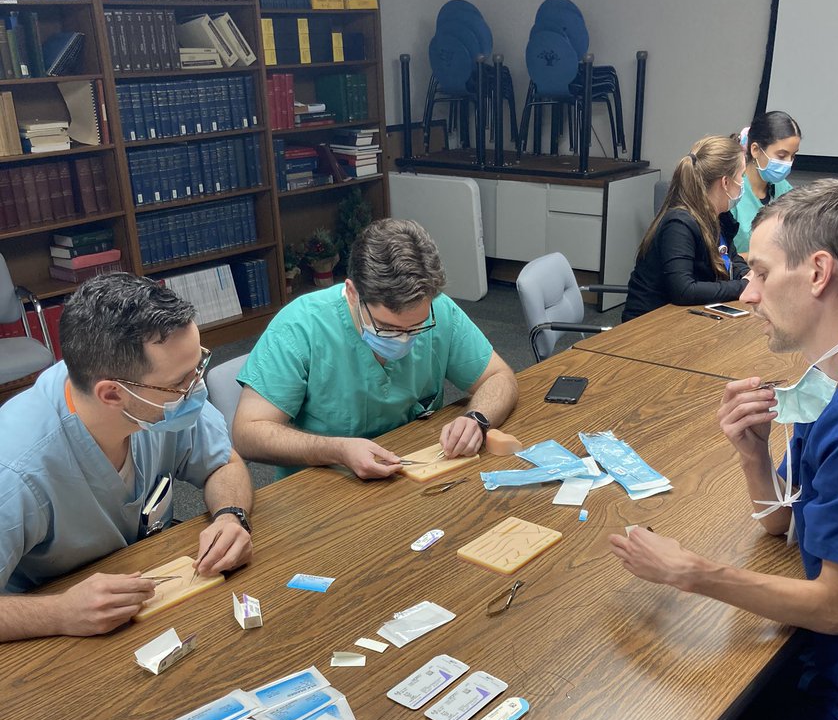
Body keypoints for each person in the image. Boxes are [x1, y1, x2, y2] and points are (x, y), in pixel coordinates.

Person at [609, 179, 838, 720]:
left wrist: (693, 573)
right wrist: (750, 453)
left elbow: (837, 607)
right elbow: (786, 523)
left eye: (760, 273)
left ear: (818, 272)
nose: (746, 294)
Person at [0, 273, 254, 641]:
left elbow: (223, 462)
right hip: (55, 630)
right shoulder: (16, 469)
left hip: (147, 592)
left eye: (198, 365)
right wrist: (59, 613)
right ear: (111, 395)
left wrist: (232, 515)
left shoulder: (158, 403)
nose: (197, 387)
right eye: (181, 381)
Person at [233, 218, 518, 480]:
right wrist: (336, 450)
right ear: (353, 293)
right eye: (387, 328)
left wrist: (477, 417)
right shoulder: (300, 327)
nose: (403, 339)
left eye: (415, 328)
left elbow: (499, 376)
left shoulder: (437, 310)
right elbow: (248, 433)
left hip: (415, 477)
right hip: (323, 489)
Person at [622, 135, 750, 321]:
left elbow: (732, 259)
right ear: (725, 182)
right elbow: (683, 290)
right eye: (742, 175)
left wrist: (748, 275)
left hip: (686, 317)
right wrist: (743, 285)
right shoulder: (679, 223)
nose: (743, 182)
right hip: (648, 324)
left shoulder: (719, 217)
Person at [731, 110, 802, 253]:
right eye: (781, 156)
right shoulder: (732, 191)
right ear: (755, 149)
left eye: (793, 156)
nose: (788, 163)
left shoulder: (784, 190)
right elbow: (720, 257)